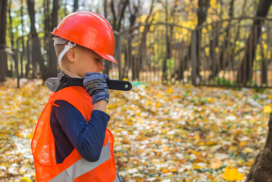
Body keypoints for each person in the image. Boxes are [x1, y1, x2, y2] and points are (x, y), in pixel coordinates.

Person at [31, 11, 122, 182]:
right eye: (97, 59)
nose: (102, 67)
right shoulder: (64, 101)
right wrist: (100, 99)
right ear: (71, 54)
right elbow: (91, 150)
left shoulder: (80, 92)